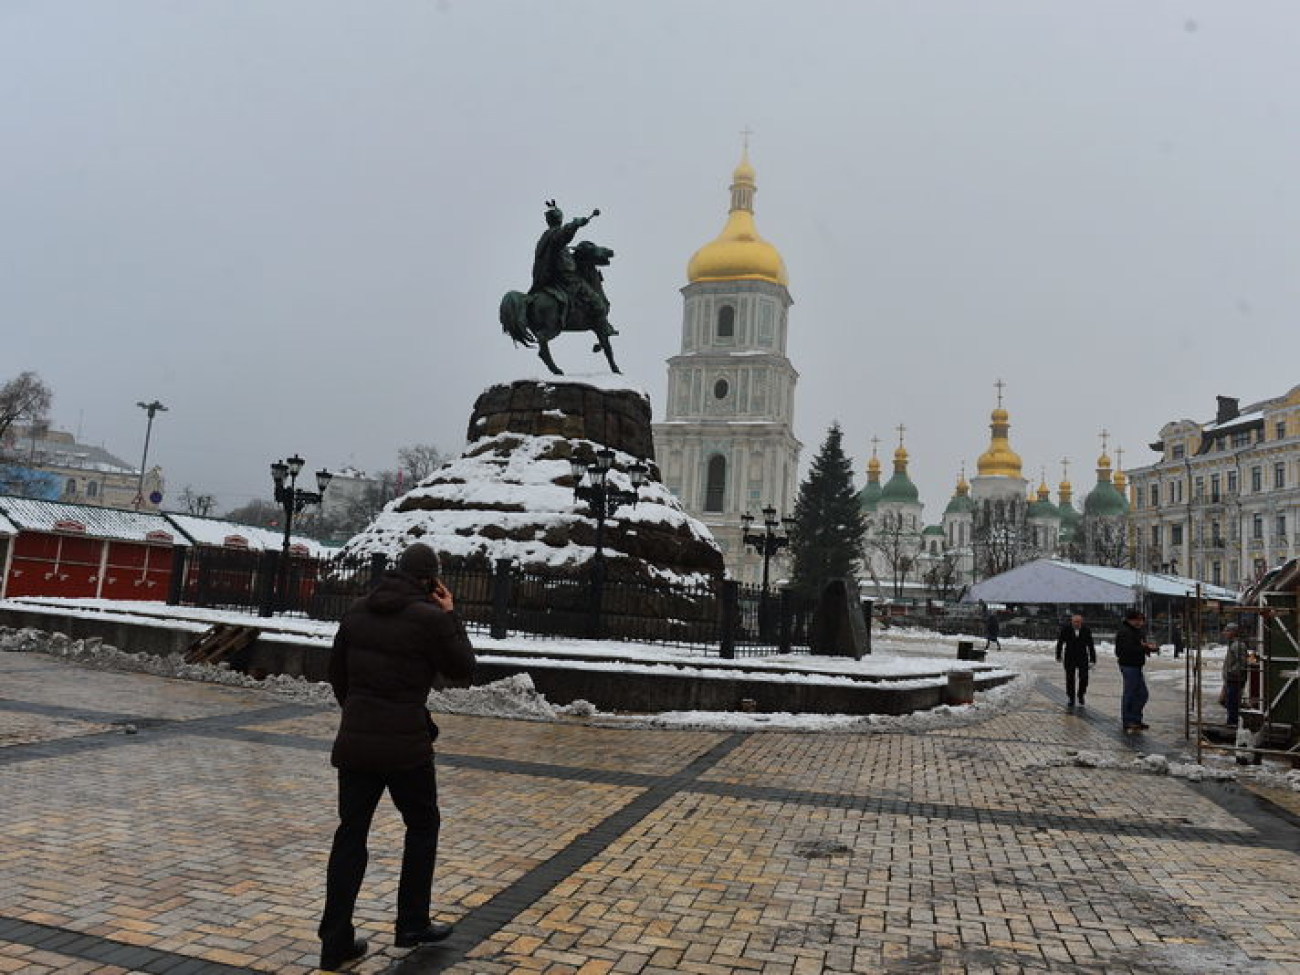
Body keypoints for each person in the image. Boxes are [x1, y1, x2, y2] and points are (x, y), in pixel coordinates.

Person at [318, 543, 476, 972]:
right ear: (431, 580)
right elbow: (463, 666)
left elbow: (338, 675)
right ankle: (411, 923)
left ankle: (334, 941)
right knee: (422, 826)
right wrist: (450, 615)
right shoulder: (430, 619)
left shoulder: (356, 612)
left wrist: (359, 711)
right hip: (407, 746)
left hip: (356, 743)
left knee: (351, 835)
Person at [1115, 607, 1157, 733]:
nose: (1139, 623)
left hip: (1137, 665)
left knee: (1142, 694)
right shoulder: (1125, 632)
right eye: (1136, 620)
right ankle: (1128, 721)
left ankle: (1135, 719)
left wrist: (1147, 648)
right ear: (1130, 620)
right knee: (1131, 693)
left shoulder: (1138, 631)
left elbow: (1140, 645)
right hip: (1129, 665)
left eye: (1141, 620)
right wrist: (1143, 648)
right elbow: (1126, 650)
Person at [1054, 612, 1096, 708]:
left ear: (1081, 622)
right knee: (1070, 678)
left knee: (1084, 678)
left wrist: (1093, 659)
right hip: (1070, 657)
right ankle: (1071, 698)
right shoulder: (1066, 629)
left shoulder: (1086, 630)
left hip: (1082, 657)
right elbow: (1060, 642)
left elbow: (1090, 645)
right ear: (1072, 622)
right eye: (1075, 622)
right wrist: (1058, 655)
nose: (1077, 624)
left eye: (1079, 622)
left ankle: (1081, 694)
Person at [1221, 622, 1249, 726]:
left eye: (1227, 631)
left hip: (1235, 679)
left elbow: (1241, 663)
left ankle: (1233, 722)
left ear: (1233, 632)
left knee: (1232, 702)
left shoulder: (1237, 645)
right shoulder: (1234, 644)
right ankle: (1232, 721)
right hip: (1232, 679)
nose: (1225, 633)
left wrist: (1231, 672)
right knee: (1229, 701)